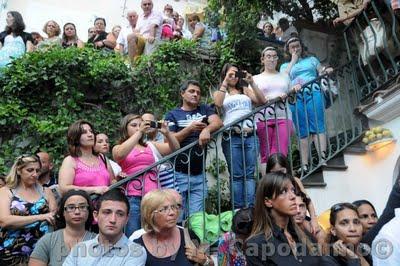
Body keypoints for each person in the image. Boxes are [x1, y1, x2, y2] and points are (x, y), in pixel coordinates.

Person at [112, 114, 180, 236]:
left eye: (141, 124)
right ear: (125, 129)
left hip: (153, 197)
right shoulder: (119, 146)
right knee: (133, 232)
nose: (138, 127)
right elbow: (119, 154)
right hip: (133, 196)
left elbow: (175, 148)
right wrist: (140, 132)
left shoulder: (149, 145)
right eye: (134, 125)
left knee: (155, 232)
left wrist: (167, 133)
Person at [165, 80, 223, 218]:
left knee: (196, 219)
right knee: (177, 217)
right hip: (179, 174)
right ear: (182, 94)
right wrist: (190, 129)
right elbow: (169, 141)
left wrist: (206, 130)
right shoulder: (172, 114)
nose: (196, 94)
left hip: (199, 174)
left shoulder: (204, 109)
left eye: (198, 92)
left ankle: (193, 240)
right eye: (192, 91)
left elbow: (218, 122)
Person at [213, 63, 265, 208]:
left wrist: (251, 82)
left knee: (249, 174)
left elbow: (262, 101)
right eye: (230, 74)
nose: (234, 76)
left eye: (236, 73)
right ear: (224, 75)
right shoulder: (222, 92)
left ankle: (250, 208)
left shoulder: (244, 90)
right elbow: (217, 103)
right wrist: (225, 82)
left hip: (250, 134)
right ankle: (238, 211)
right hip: (232, 136)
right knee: (236, 175)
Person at [280, 37, 333, 172]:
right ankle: (304, 164)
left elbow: (320, 70)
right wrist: (293, 60)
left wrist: (325, 70)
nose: (295, 49)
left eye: (297, 46)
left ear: (301, 46)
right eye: (292, 47)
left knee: (318, 125)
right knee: (302, 131)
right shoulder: (285, 66)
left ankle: (322, 159)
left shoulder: (311, 60)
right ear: (288, 50)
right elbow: (283, 79)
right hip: (296, 98)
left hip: (314, 92)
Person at [244, 172, 320, 265]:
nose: (293, 196)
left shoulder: (305, 235)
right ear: (268, 201)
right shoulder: (256, 245)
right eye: (283, 191)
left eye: (292, 190)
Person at [63, 189, 147, 265]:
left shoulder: (136, 252)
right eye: (107, 212)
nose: (113, 220)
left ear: (126, 219)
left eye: (120, 214)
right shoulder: (79, 249)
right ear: (96, 216)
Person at [0, 155, 57, 265]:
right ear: (18, 170)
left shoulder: (46, 191)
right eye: (30, 170)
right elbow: (4, 221)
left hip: (41, 251)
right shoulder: (6, 192)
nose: (35, 174)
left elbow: (53, 216)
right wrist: (40, 217)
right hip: (12, 251)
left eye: (37, 170)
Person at [134, 189, 214, 265]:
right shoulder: (137, 245)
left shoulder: (189, 236)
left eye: (174, 207)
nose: (172, 212)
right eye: (164, 209)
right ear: (150, 214)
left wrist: (203, 260)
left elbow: (210, 264)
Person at [253, 46, 299, 173]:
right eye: (268, 56)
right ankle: (269, 184)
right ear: (262, 60)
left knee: (280, 153)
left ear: (277, 59)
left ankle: (280, 184)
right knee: (265, 154)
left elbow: (291, 97)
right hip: (263, 118)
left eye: (274, 56)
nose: (272, 59)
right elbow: (254, 100)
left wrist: (294, 90)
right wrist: (271, 98)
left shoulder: (284, 76)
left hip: (283, 116)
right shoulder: (256, 78)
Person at [29, 189, 96, 266]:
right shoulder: (48, 240)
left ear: (89, 211)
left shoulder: (98, 241)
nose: (77, 212)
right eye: (71, 207)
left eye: (82, 207)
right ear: (63, 212)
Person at [265, 153, 320, 235]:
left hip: (299, 218)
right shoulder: (268, 185)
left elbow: (307, 201)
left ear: (287, 169)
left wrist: (314, 219)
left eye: (281, 171)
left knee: (319, 234)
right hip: (282, 221)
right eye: (274, 172)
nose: (279, 175)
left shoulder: (295, 181)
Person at [59, 120, 115, 196]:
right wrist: (94, 190)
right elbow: (64, 188)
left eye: (91, 131)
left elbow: (112, 182)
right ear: (76, 137)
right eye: (84, 132)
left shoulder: (102, 157)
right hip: (84, 205)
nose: (90, 135)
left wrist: (120, 178)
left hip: (106, 204)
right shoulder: (70, 160)